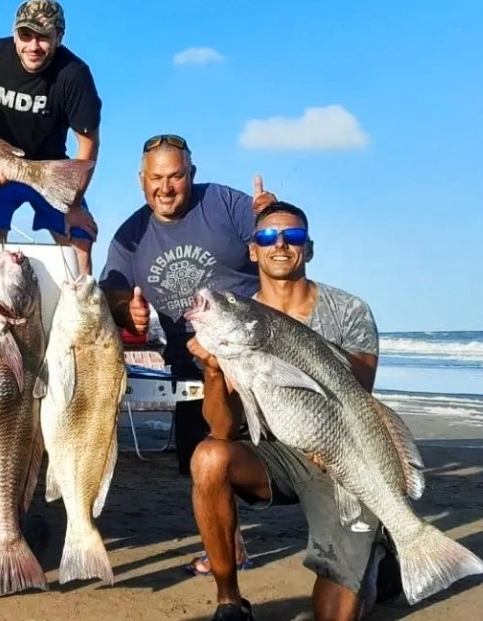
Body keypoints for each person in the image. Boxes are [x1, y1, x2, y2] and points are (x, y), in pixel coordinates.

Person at [186, 201, 399, 621]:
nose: (280, 244)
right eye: (267, 236)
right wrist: (213, 370)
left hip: (334, 454)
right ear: (253, 250)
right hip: (271, 455)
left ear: (309, 248)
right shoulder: (234, 320)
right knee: (208, 457)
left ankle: (373, 555)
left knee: (337, 616)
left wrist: (332, 445)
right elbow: (223, 429)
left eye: (293, 236)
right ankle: (229, 601)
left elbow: (358, 399)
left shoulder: (349, 311)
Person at [98, 134, 276, 473]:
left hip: (256, 357)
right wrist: (125, 310)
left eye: (175, 176)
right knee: (204, 473)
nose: (165, 188)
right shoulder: (129, 236)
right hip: (193, 375)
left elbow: (285, 247)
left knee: (274, 472)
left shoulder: (224, 202)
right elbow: (110, 292)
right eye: (156, 178)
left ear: (191, 174)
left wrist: (274, 217)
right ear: (141, 180)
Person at [0, 0, 102, 274]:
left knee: (80, 241)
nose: (33, 46)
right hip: (0, 168)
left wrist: (74, 205)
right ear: (15, 34)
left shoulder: (74, 75)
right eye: (25, 35)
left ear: (59, 37)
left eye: (43, 37)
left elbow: (88, 145)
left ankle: (81, 300)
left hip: (49, 168)